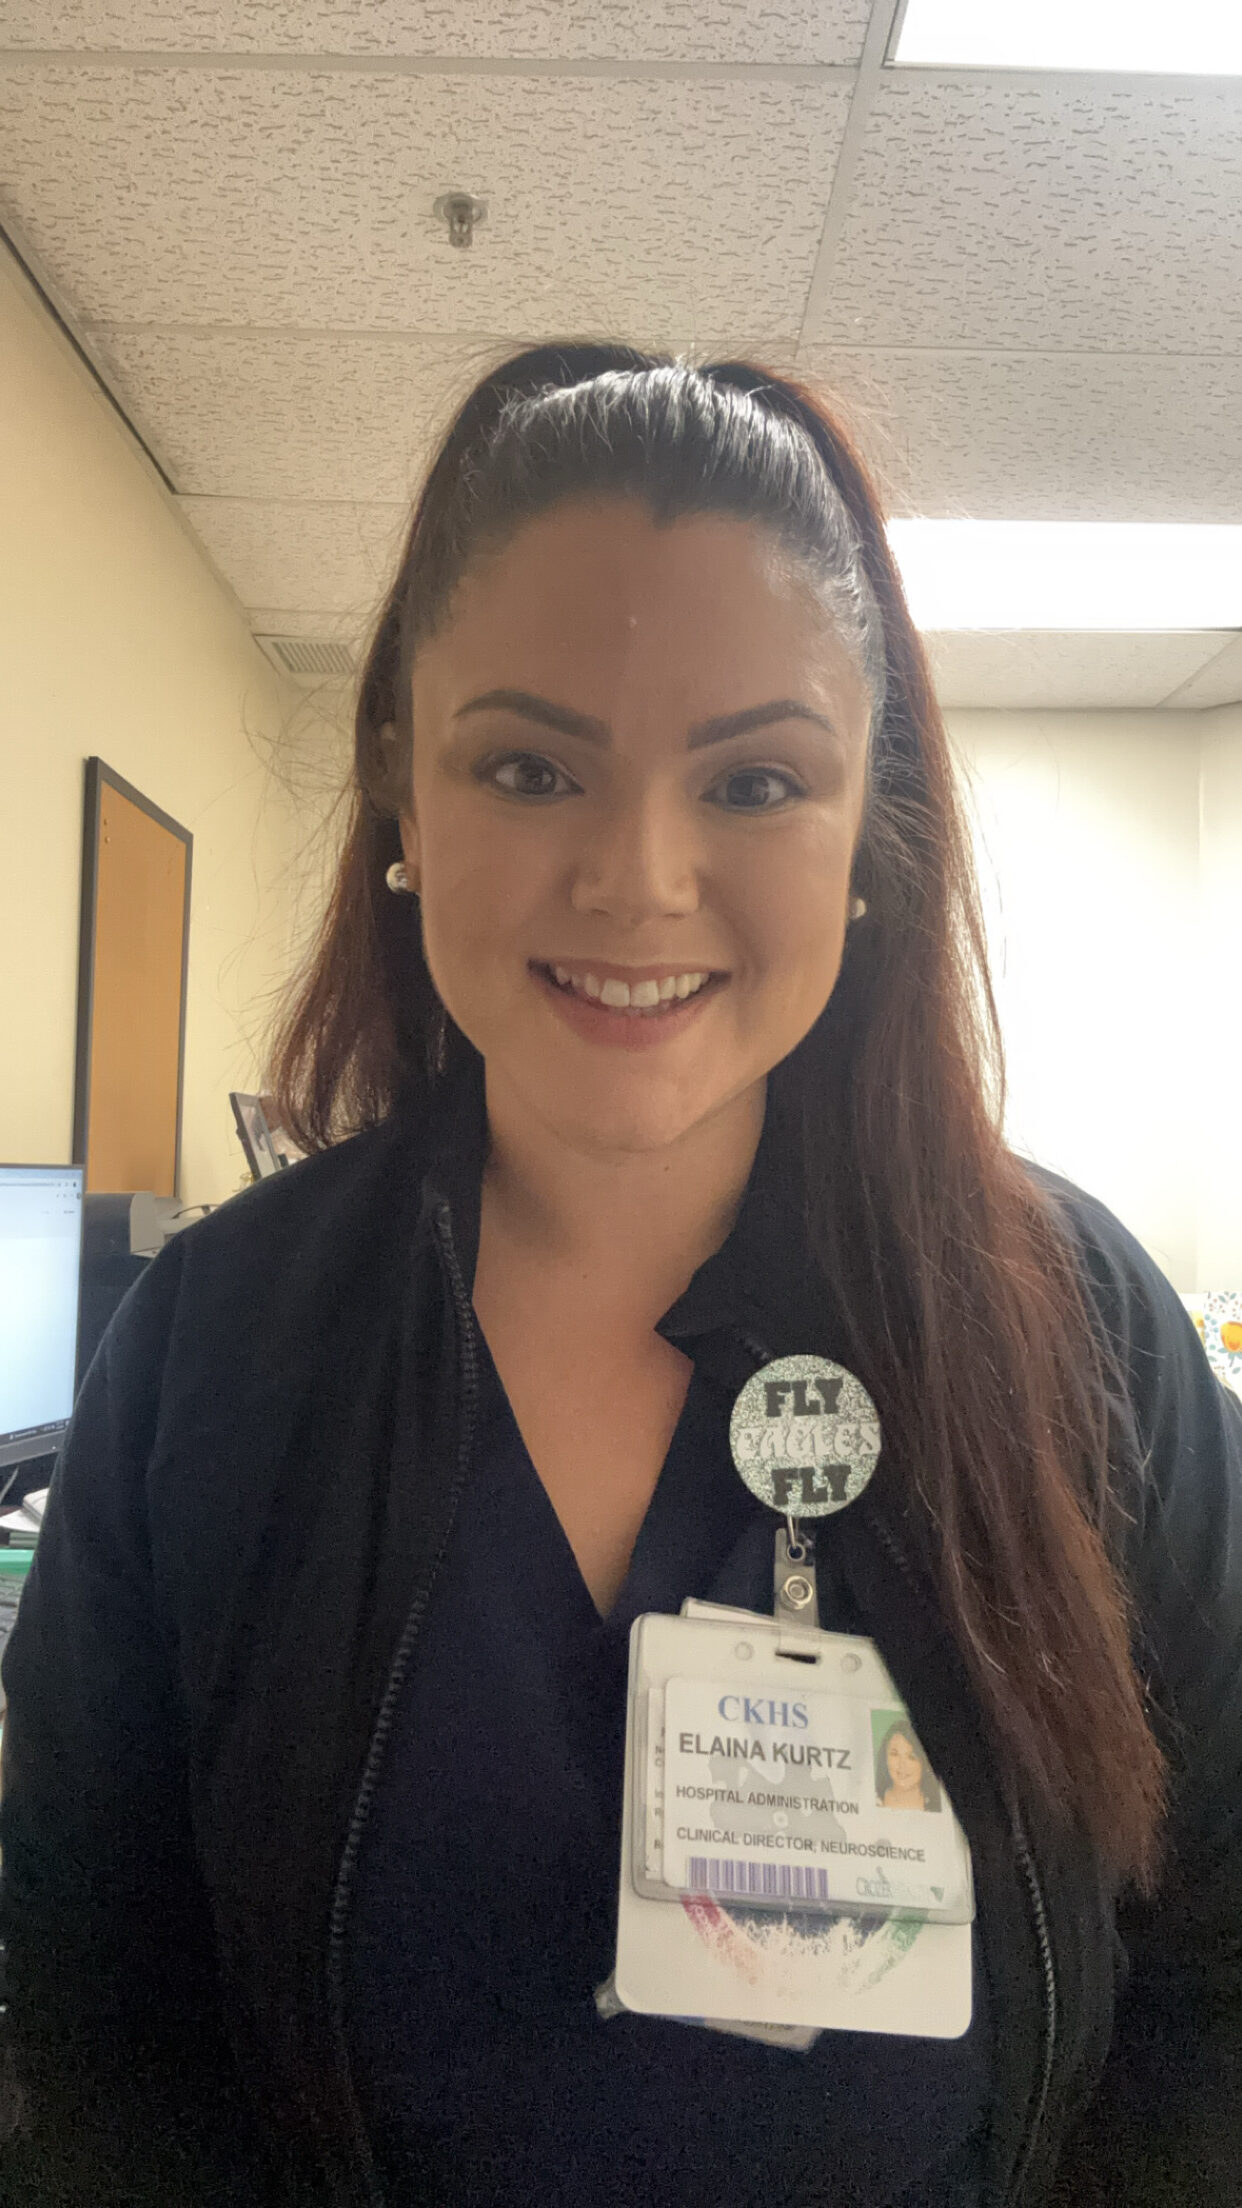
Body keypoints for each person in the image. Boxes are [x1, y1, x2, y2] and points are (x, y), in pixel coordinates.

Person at [1, 345, 1240, 2208]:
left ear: (868, 839)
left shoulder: (1074, 1335)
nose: (641, 878)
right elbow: (110, 2022)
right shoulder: (218, 1350)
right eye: (528, 765)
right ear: (402, 794)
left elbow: (1213, 1979)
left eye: (752, 778)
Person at [875, 1718, 942, 1814]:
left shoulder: (938, 1807)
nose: (902, 1765)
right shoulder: (873, 1801)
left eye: (911, 1757)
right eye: (895, 1754)